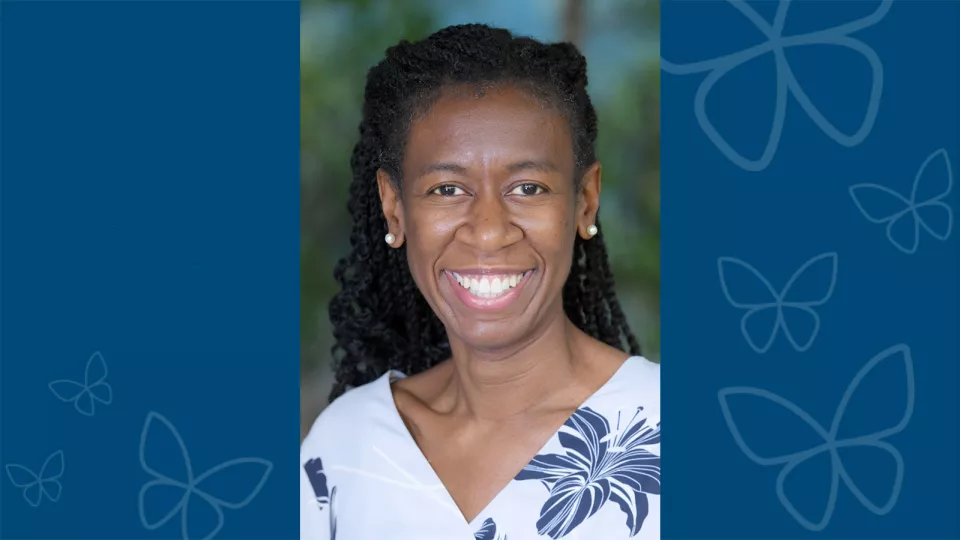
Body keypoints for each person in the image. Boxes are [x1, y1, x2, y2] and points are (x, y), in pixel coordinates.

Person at [300, 23, 660, 540]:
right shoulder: (344, 449)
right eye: (447, 188)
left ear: (585, 201)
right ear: (394, 210)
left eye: (528, 187)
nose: (489, 232)